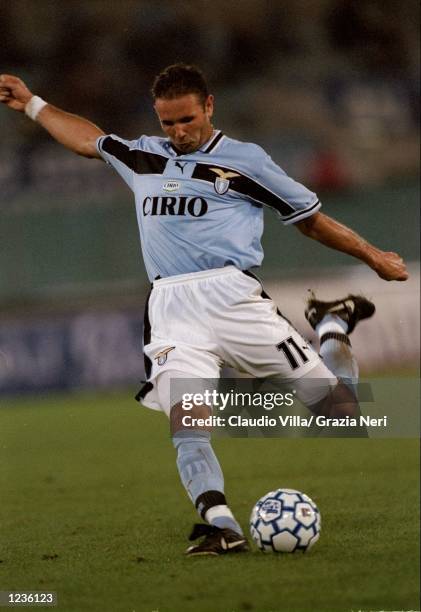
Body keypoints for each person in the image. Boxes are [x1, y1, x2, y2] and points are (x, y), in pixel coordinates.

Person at [0, 65, 408, 556]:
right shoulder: (143, 155)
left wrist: (375, 257)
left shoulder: (245, 161)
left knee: (343, 414)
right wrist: (33, 104)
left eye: (187, 120)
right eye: (168, 122)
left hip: (234, 300)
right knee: (187, 423)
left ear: (209, 106)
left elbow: (309, 220)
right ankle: (221, 525)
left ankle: (333, 322)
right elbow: (92, 140)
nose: (178, 132)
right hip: (172, 308)